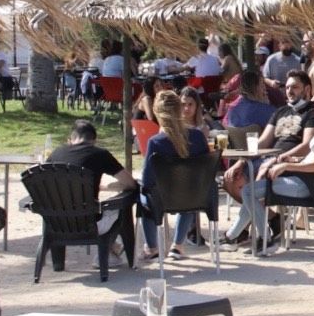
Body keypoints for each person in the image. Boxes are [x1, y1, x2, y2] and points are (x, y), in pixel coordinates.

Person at [234, 84, 314, 246]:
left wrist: (285, 166)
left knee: (249, 191)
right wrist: (295, 160)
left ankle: (260, 236)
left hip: (304, 186)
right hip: (310, 184)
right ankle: (234, 235)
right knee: (251, 191)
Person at [137, 90, 210, 259]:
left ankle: (152, 247)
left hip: (163, 198)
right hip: (193, 197)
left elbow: (147, 181)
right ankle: (177, 245)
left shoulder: (155, 142)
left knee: (143, 196)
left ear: (156, 113)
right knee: (187, 189)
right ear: (180, 109)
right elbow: (204, 170)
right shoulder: (198, 136)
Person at [47, 118, 138, 244]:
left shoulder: (56, 153)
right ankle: (112, 253)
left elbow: (47, 184)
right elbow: (130, 183)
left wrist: (101, 186)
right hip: (90, 223)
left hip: (56, 222)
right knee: (120, 206)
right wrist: (111, 186)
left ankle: (112, 251)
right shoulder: (100, 154)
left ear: (71, 138)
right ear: (94, 140)